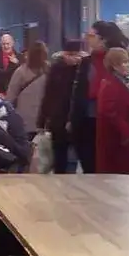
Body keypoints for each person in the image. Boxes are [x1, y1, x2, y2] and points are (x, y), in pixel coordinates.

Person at [69, 21, 129, 173]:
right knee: (89, 165)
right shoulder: (86, 62)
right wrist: (72, 119)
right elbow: (78, 92)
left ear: (103, 39)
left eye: (91, 36)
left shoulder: (120, 61)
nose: (87, 39)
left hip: (111, 122)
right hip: (87, 120)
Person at [37, 40, 83, 174]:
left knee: (75, 159)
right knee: (59, 157)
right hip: (58, 119)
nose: (72, 58)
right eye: (69, 54)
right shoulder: (56, 68)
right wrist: (42, 120)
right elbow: (48, 94)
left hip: (78, 119)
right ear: (64, 54)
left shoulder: (84, 69)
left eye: (75, 55)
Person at [96, 48, 129, 175]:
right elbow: (108, 111)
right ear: (115, 65)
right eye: (125, 62)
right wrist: (126, 130)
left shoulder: (121, 82)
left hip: (123, 136)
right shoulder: (109, 84)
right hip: (115, 138)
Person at [6, 41, 49, 137]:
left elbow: (10, 96)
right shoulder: (49, 71)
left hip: (24, 119)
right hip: (43, 120)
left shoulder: (21, 72)